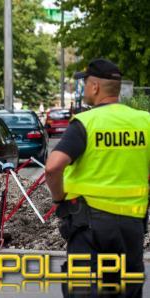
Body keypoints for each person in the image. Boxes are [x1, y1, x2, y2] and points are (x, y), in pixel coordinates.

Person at [45, 58, 150, 296]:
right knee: (127, 289)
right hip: (132, 226)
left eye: (85, 84)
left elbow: (52, 168)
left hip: (89, 225)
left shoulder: (86, 123)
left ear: (94, 87)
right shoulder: (145, 122)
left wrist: (59, 200)